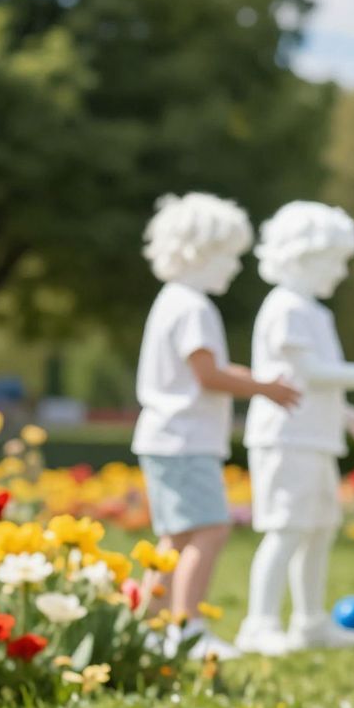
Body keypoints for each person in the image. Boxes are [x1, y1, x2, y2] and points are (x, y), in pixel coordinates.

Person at [237, 201, 354, 656]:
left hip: (314, 438)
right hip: (285, 438)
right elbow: (308, 372)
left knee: (318, 530)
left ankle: (309, 622)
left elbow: (316, 382)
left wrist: (345, 414)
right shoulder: (286, 307)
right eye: (334, 262)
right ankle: (259, 624)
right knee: (287, 530)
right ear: (303, 256)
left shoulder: (315, 312)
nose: (339, 273)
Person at [130, 193, 298, 660]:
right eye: (229, 256)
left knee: (176, 537)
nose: (234, 266)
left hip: (166, 436)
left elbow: (207, 367)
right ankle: (187, 627)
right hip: (185, 439)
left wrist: (259, 382)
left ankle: (148, 626)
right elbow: (209, 375)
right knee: (211, 529)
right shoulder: (193, 308)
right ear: (200, 253)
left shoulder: (172, 301)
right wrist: (263, 387)